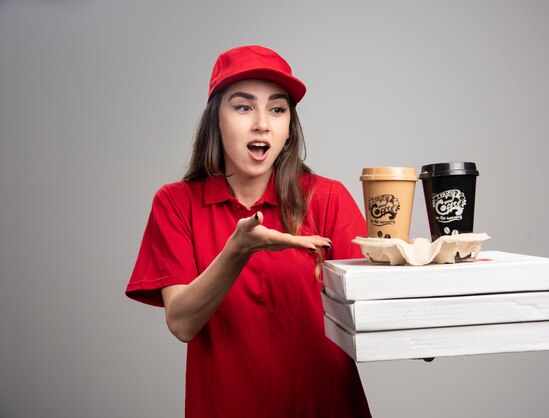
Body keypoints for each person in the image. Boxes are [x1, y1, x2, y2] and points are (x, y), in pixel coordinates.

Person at [126, 45, 372, 417]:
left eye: (277, 109)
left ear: (289, 129)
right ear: (216, 121)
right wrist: (236, 251)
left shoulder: (327, 197)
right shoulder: (176, 203)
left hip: (325, 405)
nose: (262, 123)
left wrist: (420, 327)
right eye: (243, 107)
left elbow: (373, 310)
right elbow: (181, 322)